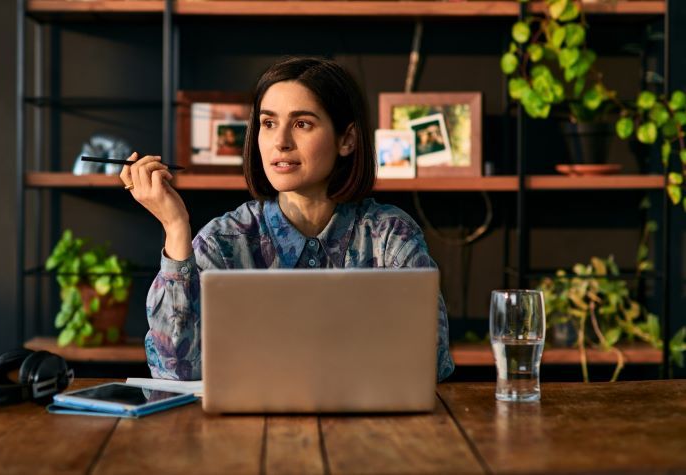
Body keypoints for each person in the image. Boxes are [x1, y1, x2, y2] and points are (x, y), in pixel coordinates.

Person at [119, 56, 454, 382]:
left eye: (301, 123)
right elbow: (174, 368)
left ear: (347, 139)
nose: (280, 142)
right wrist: (175, 228)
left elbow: (431, 360)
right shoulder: (224, 241)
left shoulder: (389, 235)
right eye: (268, 123)